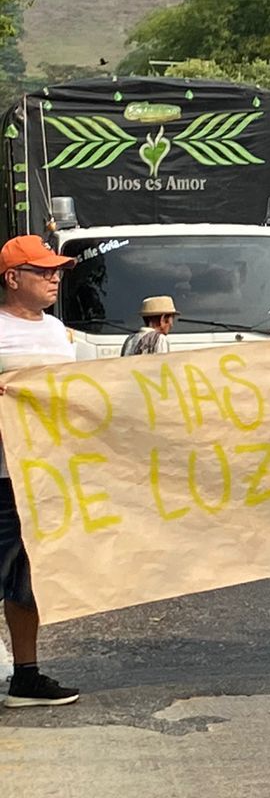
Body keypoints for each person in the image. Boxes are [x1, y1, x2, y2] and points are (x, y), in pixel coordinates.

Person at [0, 235, 81, 706]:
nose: (54, 278)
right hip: (0, 478)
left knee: (27, 581)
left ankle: (26, 676)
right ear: (13, 278)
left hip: (41, 478)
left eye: (57, 271)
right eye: (43, 270)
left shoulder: (55, 332)